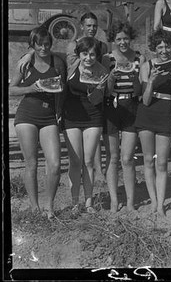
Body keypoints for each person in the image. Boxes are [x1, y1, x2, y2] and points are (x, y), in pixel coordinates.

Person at [17, 10, 109, 179]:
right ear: (81, 26)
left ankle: (98, 171)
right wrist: (30, 53)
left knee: (91, 149)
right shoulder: (73, 45)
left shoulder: (103, 46)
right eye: (88, 25)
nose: (92, 29)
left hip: (94, 96)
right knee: (76, 156)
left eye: (95, 26)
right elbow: (58, 57)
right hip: (73, 98)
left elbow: (104, 69)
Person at [10, 27, 66, 218]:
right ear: (33, 45)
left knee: (55, 164)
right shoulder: (25, 63)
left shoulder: (57, 61)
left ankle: (49, 207)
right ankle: (34, 208)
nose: (43, 47)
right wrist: (32, 88)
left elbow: (62, 88)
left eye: (47, 44)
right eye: (39, 44)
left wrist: (59, 110)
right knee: (31, 163)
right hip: (27, 116)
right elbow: (12, 89)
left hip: (49, 116)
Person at [134, 30, 171, 216]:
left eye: (167, 46)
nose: (164, 50)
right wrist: (151, 82)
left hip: (165, 113)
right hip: (146, 113)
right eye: (160, 46)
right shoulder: (147, 65)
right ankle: (153, 201)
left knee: (162, 162)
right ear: (154, 49)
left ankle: (161, 204)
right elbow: (145, 101)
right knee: (148, 160)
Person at [102, 21, 145, 213]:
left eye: (126, 38)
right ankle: (113, 200)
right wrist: (111, 77)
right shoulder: (107, 58)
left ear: (131, 38)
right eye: (118, 39)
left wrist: (135, 78)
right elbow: (105, 90)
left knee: (127, 158)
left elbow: (139, 91)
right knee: (112, 157)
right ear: (113, 39)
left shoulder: (139, 58)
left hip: (131, 106)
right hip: (112, 106)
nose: (122, 42)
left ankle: (130, 201)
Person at [63, 37, 108, 214]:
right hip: (71, 116)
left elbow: (98, 100)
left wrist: (99, 89)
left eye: (92, 54)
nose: (88, 58)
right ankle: (75, 202)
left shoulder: (102, 71)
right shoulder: (71, 65)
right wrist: (28, 55)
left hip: (93, 116)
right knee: (75, 161)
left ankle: (88, 202)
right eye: (85, 54)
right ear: (79, 54)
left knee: (89, 161)